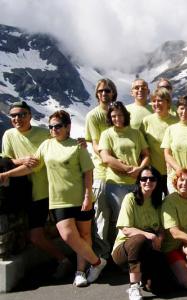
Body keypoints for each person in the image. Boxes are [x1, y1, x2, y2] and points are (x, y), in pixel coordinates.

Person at [0, 110, 107, 287]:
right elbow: (31, 167)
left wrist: (88, 196)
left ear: (67, 127)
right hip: (58, 200)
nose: (54, 129)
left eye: (58, 126)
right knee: (67, 235)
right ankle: (97, 263)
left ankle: (81, 272)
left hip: (81, 197)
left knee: (84, 234)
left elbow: (88, 172)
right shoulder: (46, 145)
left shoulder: (77, 146)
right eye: (51, 127)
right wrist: (7, 174)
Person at [1, 101, 71, 278]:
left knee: (43, 234)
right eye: (14, 115)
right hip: (23, 191)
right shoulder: (9, 135)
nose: (18, 118)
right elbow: (7, 159)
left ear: (30, 116)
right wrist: (21, 160)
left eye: (22, 114)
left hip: (45, 190)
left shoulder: (43, 134)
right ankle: (65, 259)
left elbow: (59, 146)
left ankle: (69, 260)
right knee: (34, 234)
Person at [112, 167, 168, 299]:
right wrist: (150, 235)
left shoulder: (157, 202)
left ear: (157, 182)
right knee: (140, 239)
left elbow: (160, 228)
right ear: (139, 181)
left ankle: (143, 277)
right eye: (144, 178)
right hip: (123, 251)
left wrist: (159, 237)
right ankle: (134, 286)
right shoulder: (130, 198)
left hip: (147, 251)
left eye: (152, 179)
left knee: (161, 287)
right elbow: (125, 229)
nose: (148, 181)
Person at [99, 101, 150, 243]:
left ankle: (133, 249)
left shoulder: (135, 133)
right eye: (114, 116)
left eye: (120, 115)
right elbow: (106, 157)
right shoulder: (107, 134)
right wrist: (127, 169)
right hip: (116, 183)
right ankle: (118, 251)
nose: (117, 118)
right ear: (110, 117)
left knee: (136, 217)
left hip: (135, 182)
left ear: (125, 116)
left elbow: (146, 154)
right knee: (120, 219)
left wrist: (139, 170)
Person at [85, 78, 117, 259]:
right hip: (102, 173)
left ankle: (117, 254)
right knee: (102, 217)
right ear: (97, 94)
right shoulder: (93, 116)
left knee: (118, 218)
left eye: (107, 90)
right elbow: (96, 146)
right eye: (101, 91)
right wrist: (113, 160)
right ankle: (102, 256)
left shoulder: (119, 113)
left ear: (113, 93)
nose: (104, 93)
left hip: (120, 174)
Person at [141, 87, 179, 196]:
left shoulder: (176, 121)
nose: (156, 104)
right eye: (154, 101)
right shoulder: (146, 121)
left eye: (160, 100)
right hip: (153, 172)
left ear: (168, 102)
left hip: (173, 172)